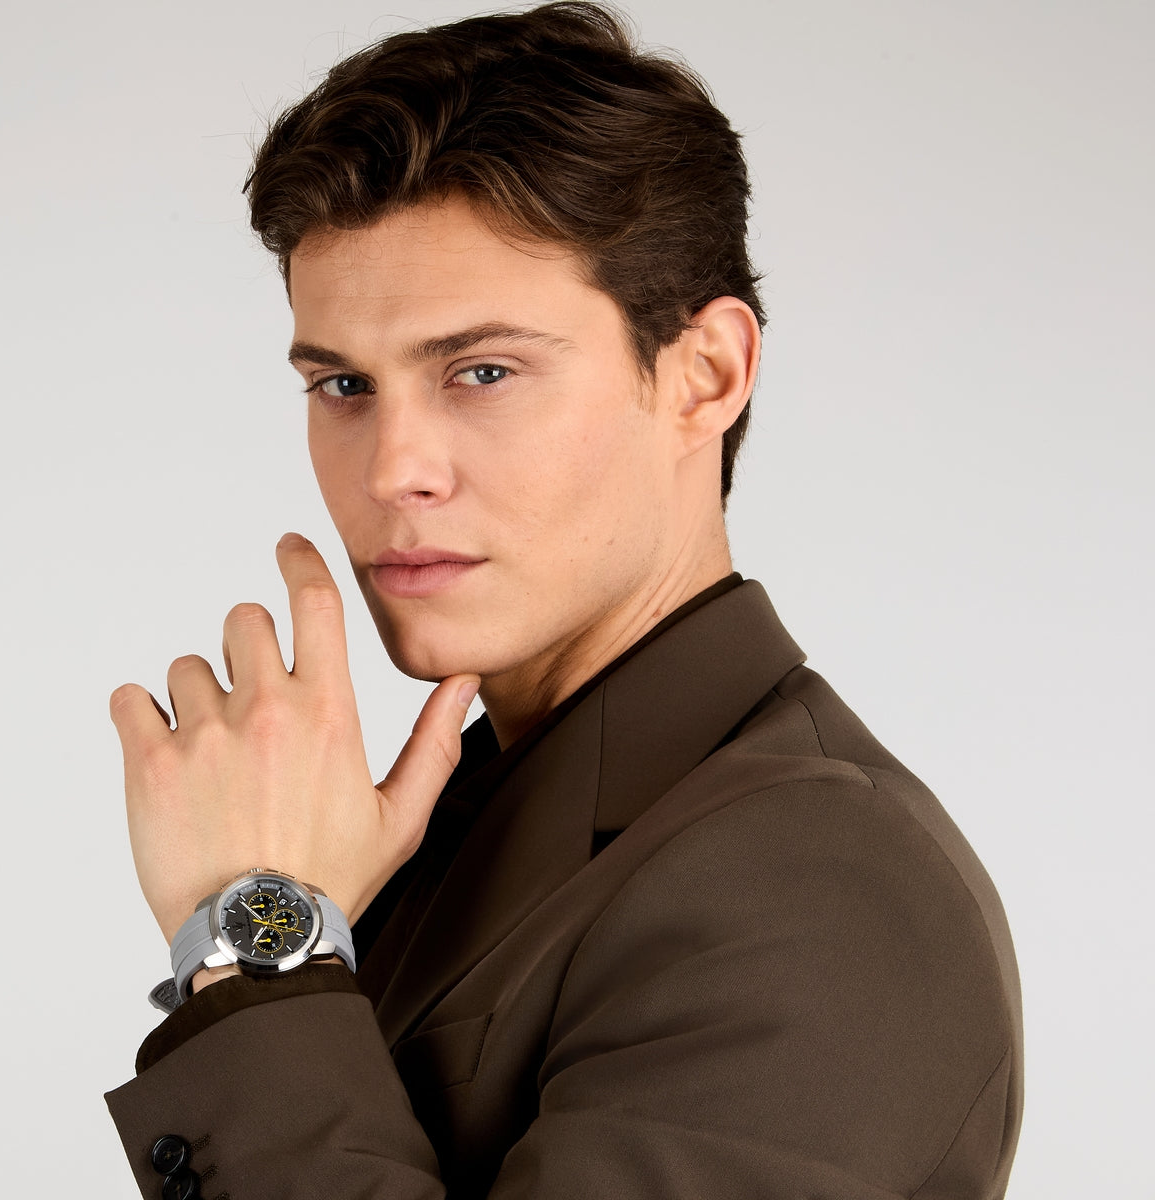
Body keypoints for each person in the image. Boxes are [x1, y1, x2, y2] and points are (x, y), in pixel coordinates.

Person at [106, 3, 1023, 1197]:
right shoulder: (444, 820)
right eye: (344, 386)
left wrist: (257, 937)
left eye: (482, 371)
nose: (392, 472)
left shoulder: (821, 883)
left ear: (706, 375)